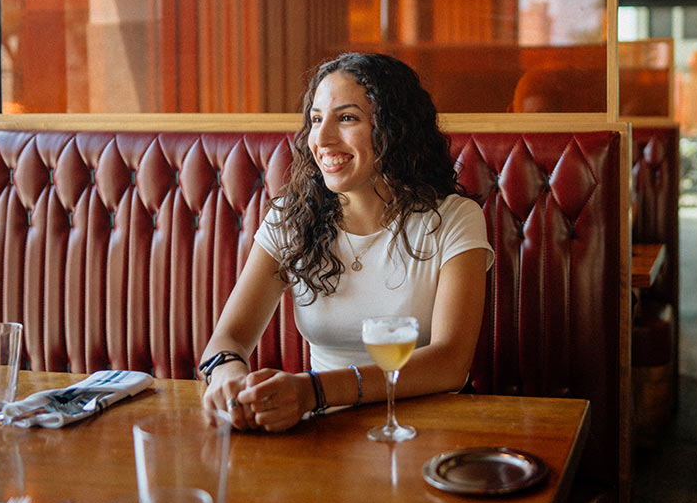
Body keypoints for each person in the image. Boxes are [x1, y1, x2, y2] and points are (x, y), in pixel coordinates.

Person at [197, 53, 494, 432]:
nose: (321, 139)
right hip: (325, 430)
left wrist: (312, 391)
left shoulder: (454, 218)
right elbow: (228, 338)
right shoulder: (291, 217)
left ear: (395, 129)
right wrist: (228, 381)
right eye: (317, 119)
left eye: (347, 118)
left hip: (426, 428)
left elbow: (450, 363)